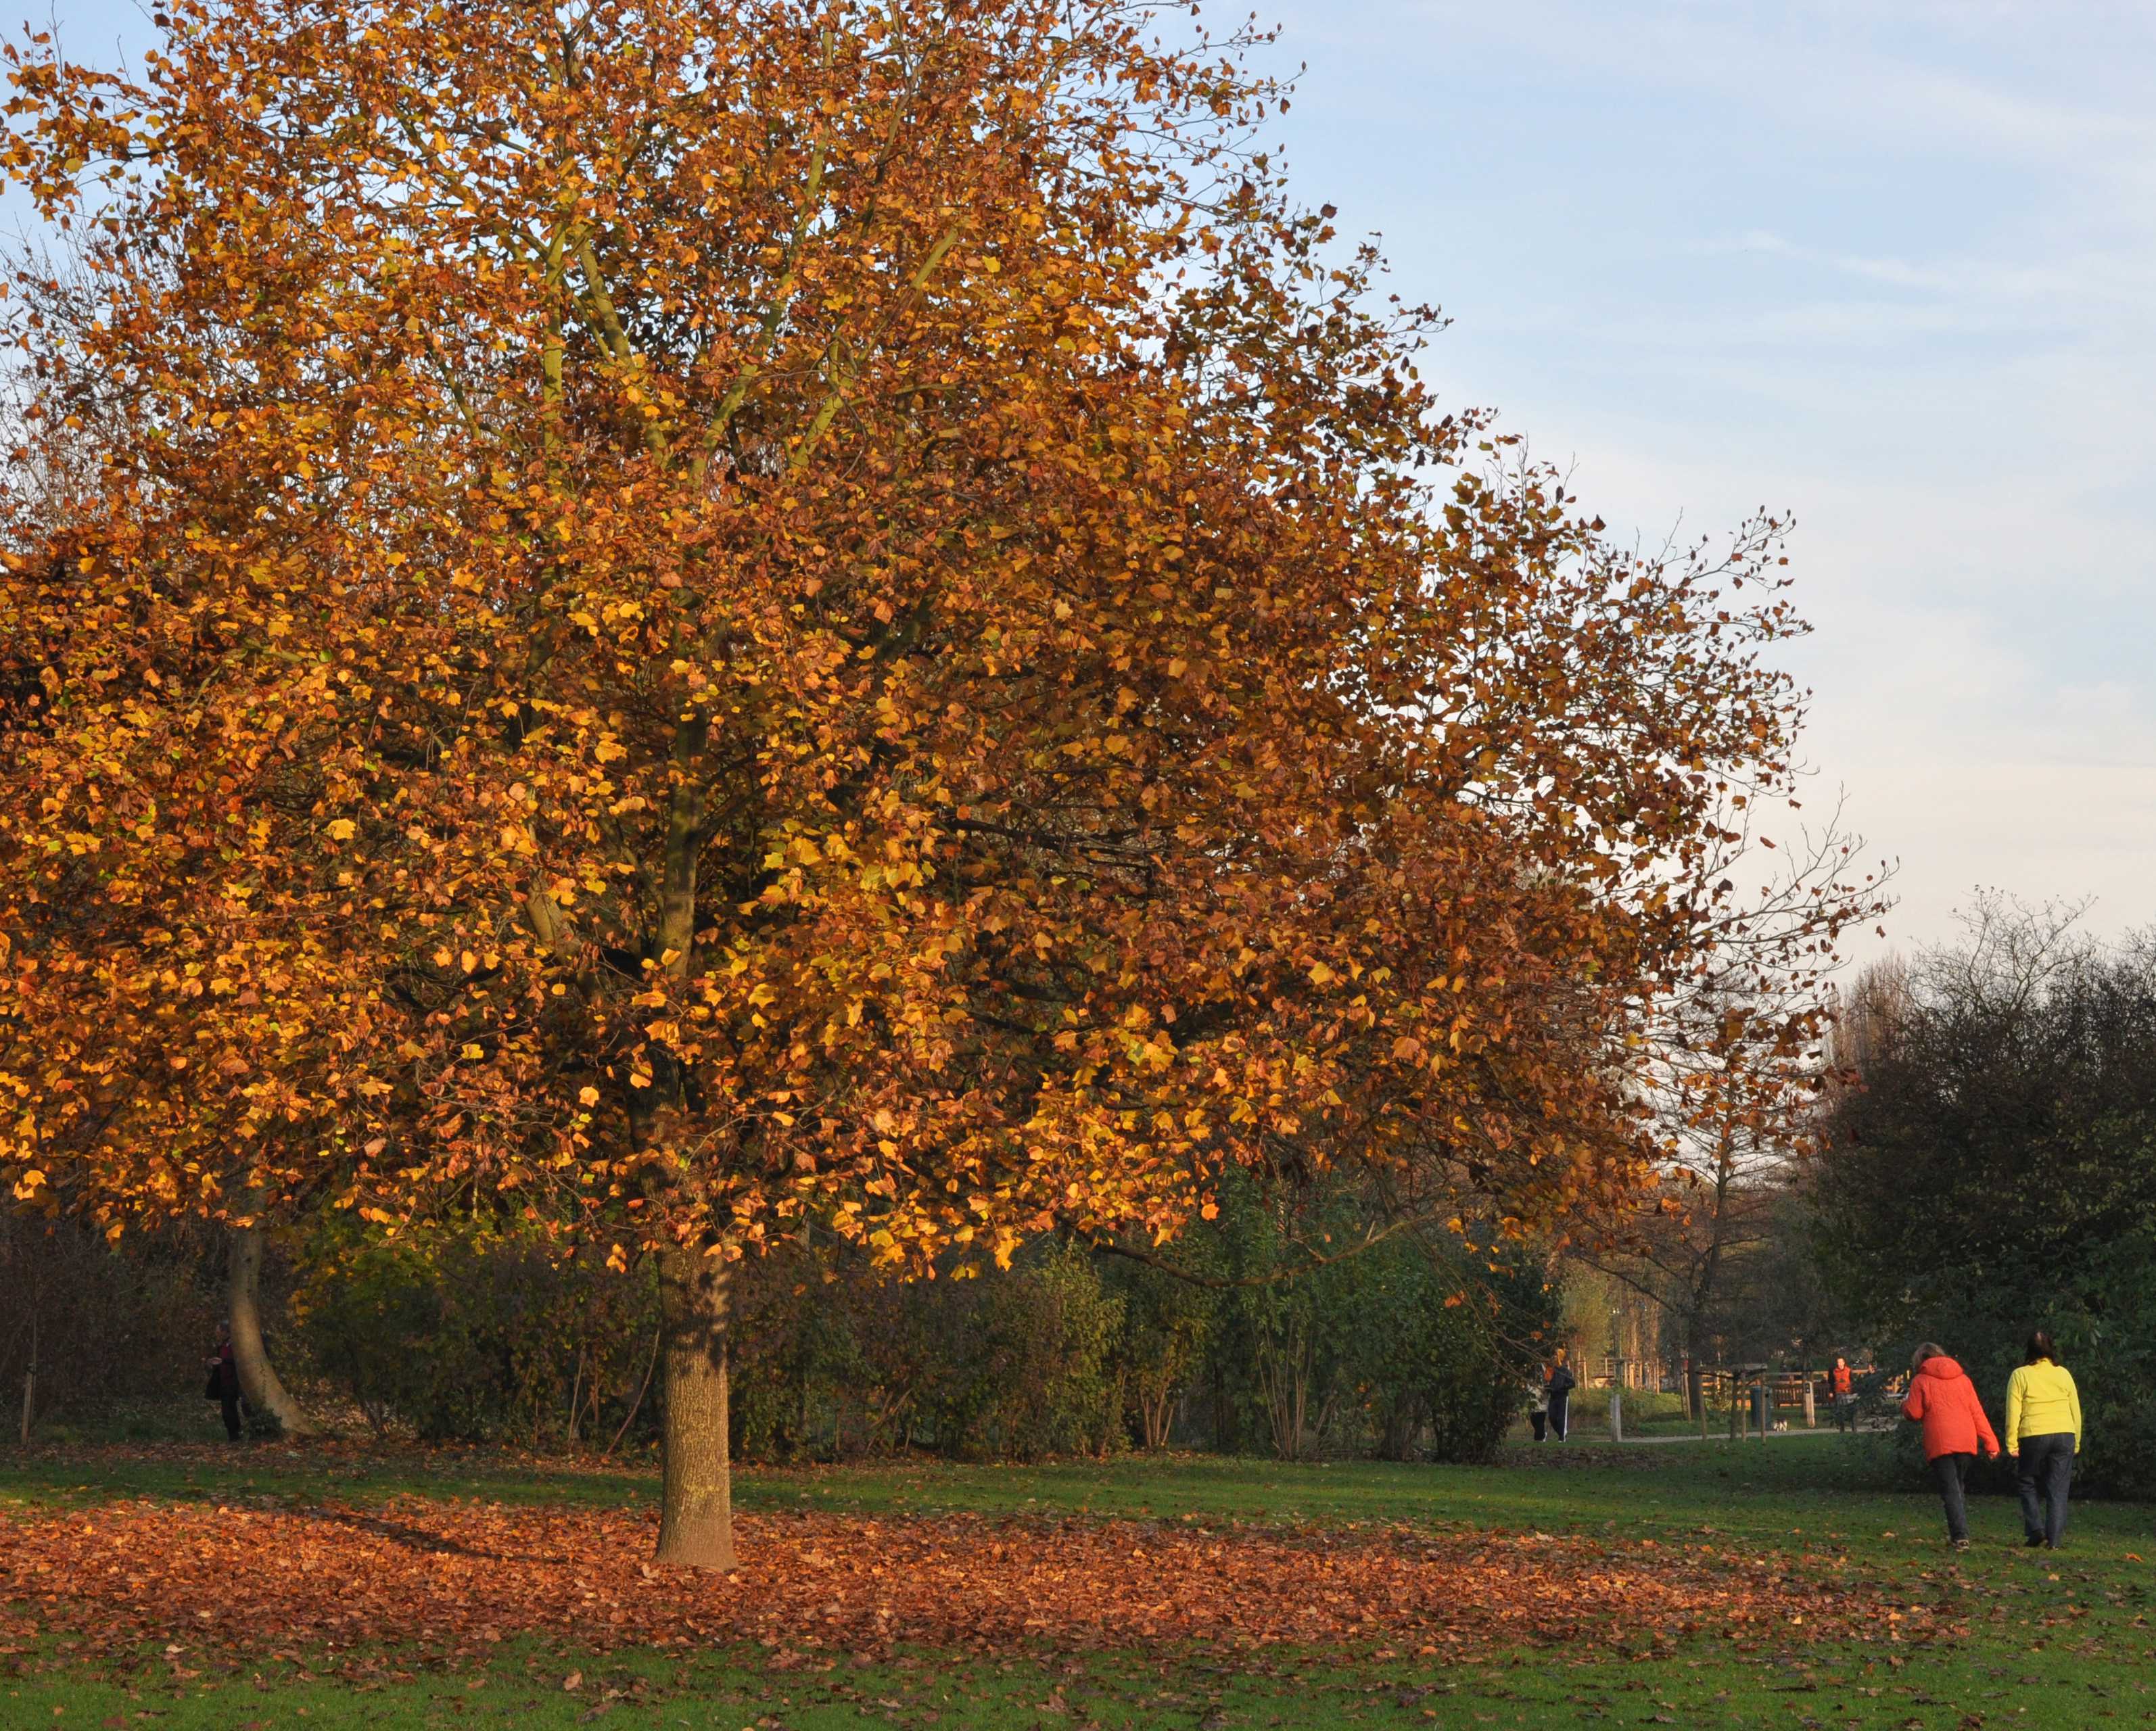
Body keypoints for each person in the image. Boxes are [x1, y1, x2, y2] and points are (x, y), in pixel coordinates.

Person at [1901, 1343, 1999, 1550]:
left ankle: (1960, 1535)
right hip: (1966, 1438)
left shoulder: (1921, 1380)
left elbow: (1914, 1413)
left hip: (1940, 1440)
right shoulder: (1963, 1379)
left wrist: (1904, 1405)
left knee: (1950, 1489)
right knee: (1957, 1486)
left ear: (1920, 1361)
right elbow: (1977, 1413)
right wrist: (1991, 1442)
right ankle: (1960, 1530)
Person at [2005, 1329, 2082, 1550]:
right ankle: (2054, 1541)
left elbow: (2013, 1411)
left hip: (2033, 1433)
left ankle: (2036, 1530)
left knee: (2027, 1480)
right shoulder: (2063, 1374)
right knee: (2058, 1488)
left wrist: (2011, 1442)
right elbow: (2075, 1410)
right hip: (2065, 1433)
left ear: (2028, 1350)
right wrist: (2076, 1441)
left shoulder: (2020, 1375)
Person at [206, 1320, 242, 1442]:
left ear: (225, 1332)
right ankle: (233, 1436)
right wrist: (213, 1364)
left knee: (230, 1410)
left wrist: (223, 1362)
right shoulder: (222, 1346)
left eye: (219, 1332)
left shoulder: (235, 1345)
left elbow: (237, 1362)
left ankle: (236, 1436)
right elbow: (220, 1363)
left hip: (233, 1382)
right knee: (227, 1411)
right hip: (223, 1382)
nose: (217, 1335)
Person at [1545, 1348, 1576, 1442]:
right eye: (1553, 1356)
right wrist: (1548, 1388)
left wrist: (1562, 1387)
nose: (1554, 1358)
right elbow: (1547, 1382)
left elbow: (1572, 1384)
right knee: (1552, 1417)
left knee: (1561, 1418)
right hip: (1553, 1397)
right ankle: (1561, 1433)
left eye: (1556, 1356)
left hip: (1563, 1397)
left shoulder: (1566, 1371)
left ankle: (1562, 1438)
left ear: (1560, 1358)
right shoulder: (1550, 1370)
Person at [1831, 1356, 1855, 1432]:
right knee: (1840, 1411)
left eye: (1841, 1362)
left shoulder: (1849, 1370)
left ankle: (1853, 1427)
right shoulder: (1834, 1371)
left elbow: (1852, 1381)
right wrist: (1831, 1392)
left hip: (1847, 1393)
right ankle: (1842, 1429)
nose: (1840, 1364)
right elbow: (1832, 1382)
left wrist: (1852, 1391)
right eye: (1838, 1362)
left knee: (1849, 1410)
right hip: (1839, 1393)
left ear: (1844, 1363)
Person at [1528, 1373, 1549, 1442]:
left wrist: (1545, 1390)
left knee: (1539, 1424)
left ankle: (1539, 1439)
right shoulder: (1530, 1382)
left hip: (1542, 1408)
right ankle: (1542, 1435)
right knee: (1534, 1422)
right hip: (1533, 1406)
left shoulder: (1545, 1381)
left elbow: (1548, 1389)